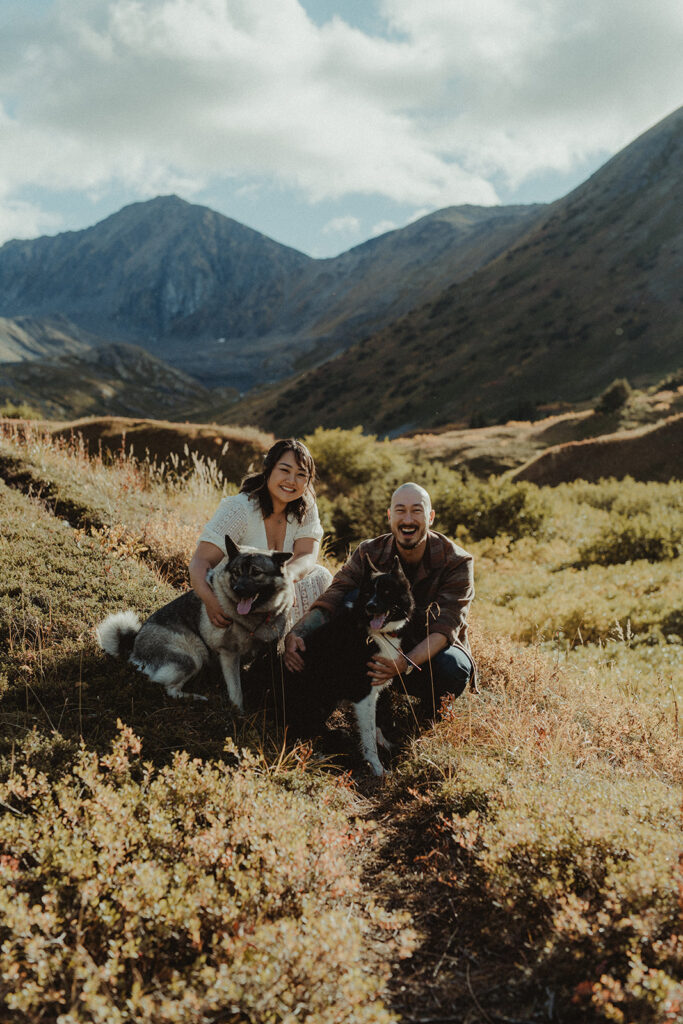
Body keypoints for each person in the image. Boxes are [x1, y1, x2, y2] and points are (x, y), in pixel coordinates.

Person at [284, 482, 475, 711]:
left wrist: (404, 663)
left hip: (424, 656)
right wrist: (297, 633)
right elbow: (336, 594)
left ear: (430, 516)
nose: (407, 519)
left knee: (454, 667)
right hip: (376, 653)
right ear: (389, 515)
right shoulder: (369, 551)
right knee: (352, 598)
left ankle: (423, 720)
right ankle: (342, 701)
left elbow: (445, 628)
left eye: (416, 510)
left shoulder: (457, 562)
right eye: (400, 510)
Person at [189, 438, 332, 629]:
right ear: (268, 469)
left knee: (321, 575)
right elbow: (200, 561)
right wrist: (211, 602)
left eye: (301, 474)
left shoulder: (305, 507)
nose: (291, 481)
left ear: (308, 480)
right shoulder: (240, 509)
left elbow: (307, 554)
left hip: (266, 594)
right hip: (235, 596)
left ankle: (295, 647)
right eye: (284, 470)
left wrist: (287, 576)